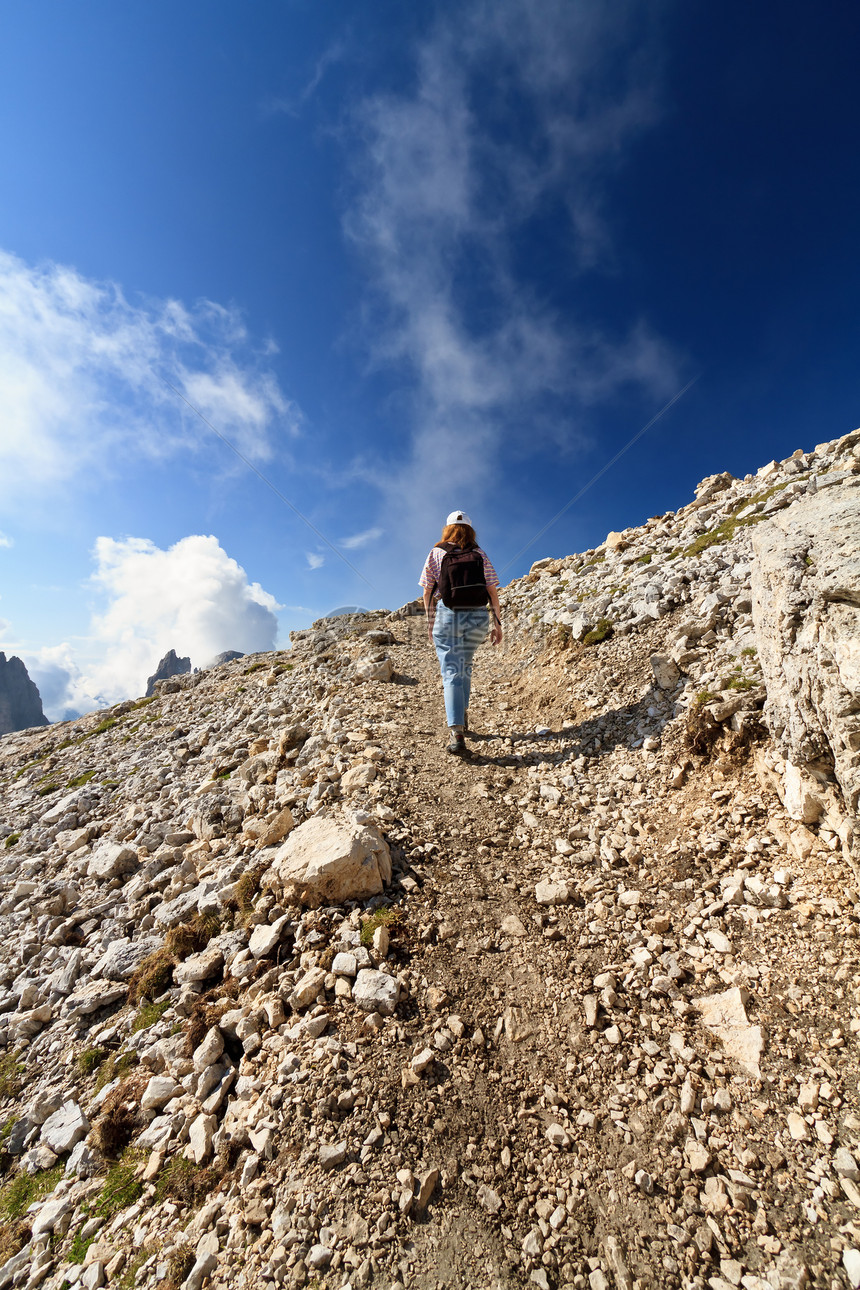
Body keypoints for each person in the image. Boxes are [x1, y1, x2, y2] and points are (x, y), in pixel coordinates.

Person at [419, 510, 502, 755]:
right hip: (477, 617)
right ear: (470, 529)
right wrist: (497, 624)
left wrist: (430, 621)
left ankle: (457, 733)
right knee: (465, 665)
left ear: (447, 529)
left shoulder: (437, 552)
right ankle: (462, 712)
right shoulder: (479, 553)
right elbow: (492, 591)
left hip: (449, 615)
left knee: (452, 670)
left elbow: (426, 591)